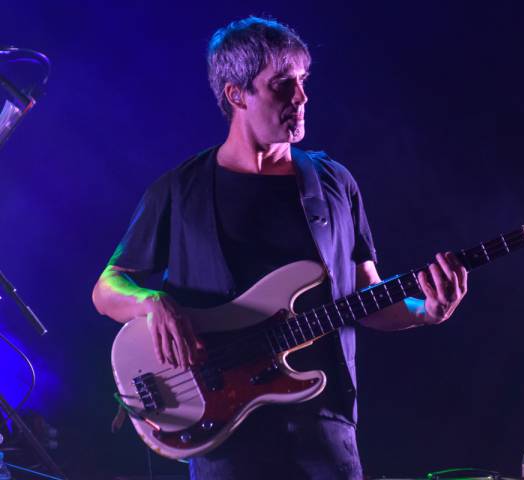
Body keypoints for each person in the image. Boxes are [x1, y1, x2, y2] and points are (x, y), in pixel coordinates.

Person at [92, 16, 468, 480]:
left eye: (303, 82)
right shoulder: (179, 191)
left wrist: (425, 310)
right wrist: (152, 303)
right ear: (237, 94)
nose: (302, 98)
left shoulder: (334, 183)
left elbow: (366, 297)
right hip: (223, 430)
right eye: (282, 85)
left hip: (325, 425)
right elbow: (107, 288)